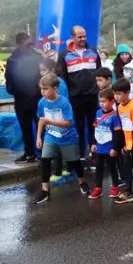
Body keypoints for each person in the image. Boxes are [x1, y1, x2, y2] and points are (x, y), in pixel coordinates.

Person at [34, 73, 88, 203]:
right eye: (41, 88)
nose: (43, 92)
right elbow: (42, 120)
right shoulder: (41, 102)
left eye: (46, 89)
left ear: (55, 88)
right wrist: (38, 137)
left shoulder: (64, 103)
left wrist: (51, 122)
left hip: (67, 137)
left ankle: (82, 182)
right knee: (45, 160)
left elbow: (68, 123)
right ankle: (45, 190)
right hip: (50, 136)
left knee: (75, 161)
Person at [61, 26, 102, 165]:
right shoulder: (64, 55)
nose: (83, 39)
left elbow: (100, 73)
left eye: (84, 36)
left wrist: (98, 90)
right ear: (72, 37)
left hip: (92, 95)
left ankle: (94, 153)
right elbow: (62, 78)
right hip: (75, 97)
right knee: (78, 127)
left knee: (93, 125)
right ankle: (81, 156)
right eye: (79, 37)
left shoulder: (93, 52)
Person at [6, 32, 44, 163]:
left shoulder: (37, 57)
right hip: (21, 98)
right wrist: (13, 90)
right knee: (25, 127)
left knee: (41, 126)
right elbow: (9, 78)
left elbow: (44, 75)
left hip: (37, 98)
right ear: (19, 44)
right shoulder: (12, 59)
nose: (30, 46)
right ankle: (29, 153)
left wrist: (39, 91)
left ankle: (44, 153)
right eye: (27, 44)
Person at [89, 88, 122, 200]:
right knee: (98, 168)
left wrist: (115, 148)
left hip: (110, 148)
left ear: (112, 101)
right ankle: (98, 188)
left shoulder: (115, 116)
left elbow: (118, 133)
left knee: (113, 167)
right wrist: (93, 143)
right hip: (99, 148)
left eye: (104, 101)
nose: (101, 104)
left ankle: (115, 187)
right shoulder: (98, 113)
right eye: (100, 101)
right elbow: (95, 129)